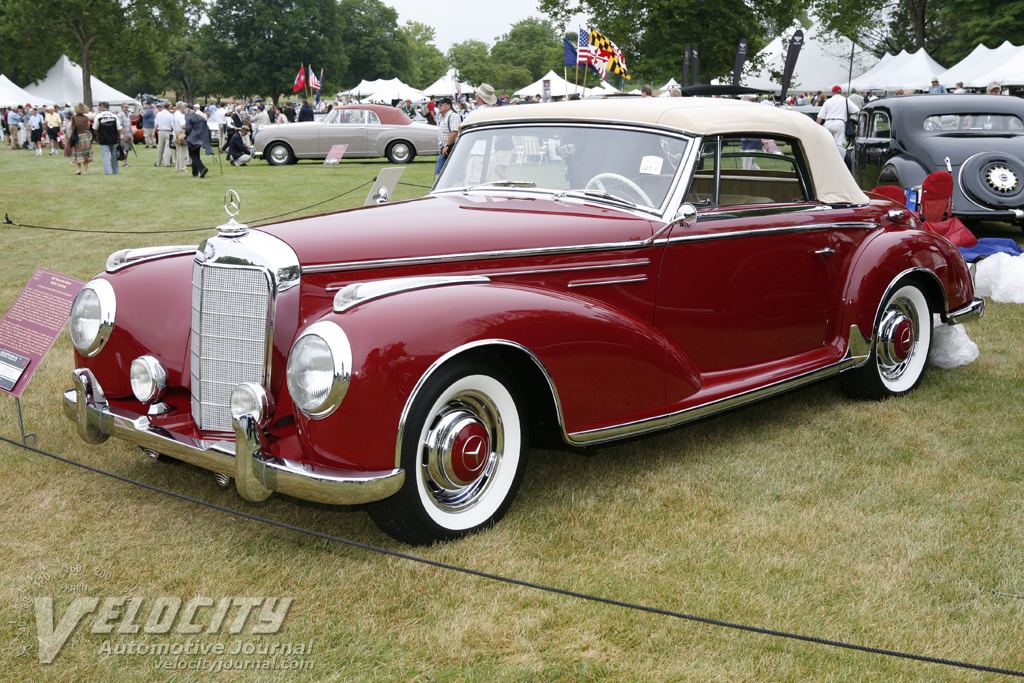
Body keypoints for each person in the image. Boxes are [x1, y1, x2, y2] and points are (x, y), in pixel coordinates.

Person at [816, 85, 858, 157]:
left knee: (827, 144)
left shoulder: (828, 101)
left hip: (828, 123)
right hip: (839, 123)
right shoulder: (845, 100)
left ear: (832, 92)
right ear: (840, 92)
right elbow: (856, 110)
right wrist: (848, 114)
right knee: (839, 146)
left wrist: (816, 128)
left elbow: (820, 117)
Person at [92, 101, 122, 175]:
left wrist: (97, 135)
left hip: (104, 138)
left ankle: (108, 172)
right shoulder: (114, 116)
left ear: (101, 107)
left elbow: (95, 128)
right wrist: (118, 137)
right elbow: (119, 128)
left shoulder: (99, 116)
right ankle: (115, 171)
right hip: (113, 138)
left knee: (105, 155)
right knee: (114, 155)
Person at [185, 105, 214, 178]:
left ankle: (202, 168)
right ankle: (195, 172)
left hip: (192, 139)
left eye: (186, 110)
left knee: (193, 155)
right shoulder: (200, 117)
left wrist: (184, 134)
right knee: (196, 155)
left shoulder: (189, 118)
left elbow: (188, 129)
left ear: (188, 110)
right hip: (200, 139)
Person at [434, 97, 459, 180]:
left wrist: (447, 145)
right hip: (444, 149)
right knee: (439, 172)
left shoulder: (453, 116)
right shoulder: (442, 117)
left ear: (448, 106)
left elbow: (454, 131)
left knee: (440, 172)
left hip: (451, 148)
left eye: (441, 105)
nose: (439, 107)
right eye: (438, 105)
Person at [70, 102, 93, 175]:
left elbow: (71, 127)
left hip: (77, 137)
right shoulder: (86, 118)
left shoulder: (73, 117)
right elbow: (88, 127)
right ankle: (85, 171)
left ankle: (78, 169)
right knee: (86, 153)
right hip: (85, 137)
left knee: (78, 153)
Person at [172, 102, 188, 172]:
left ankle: (178, 167)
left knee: (178, 152)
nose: (184, 109)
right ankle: (182, 168)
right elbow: (183, 126)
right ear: (181, 107)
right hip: (181, 133)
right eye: (183, 107)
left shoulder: (174, 115)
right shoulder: (180, 115)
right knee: (183, 151)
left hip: (175, 133)